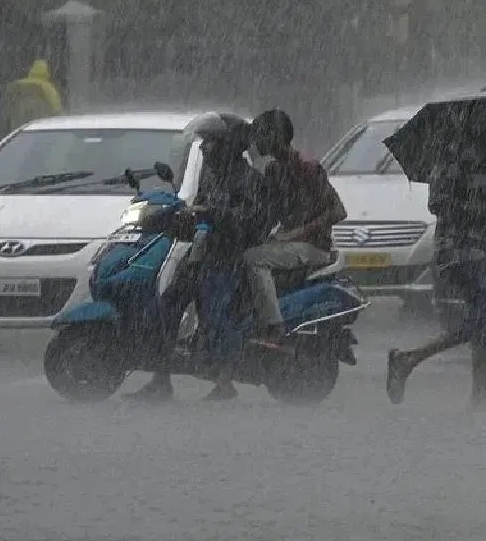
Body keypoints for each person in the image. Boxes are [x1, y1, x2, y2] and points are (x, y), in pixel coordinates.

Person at [125, 113, 271, 403]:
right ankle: (161, 379)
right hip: (203, 253)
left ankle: (225, 382)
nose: (204, 149)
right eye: (203, 143)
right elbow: (199, 209)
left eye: (211, 143)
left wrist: (212, 215)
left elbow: (252, 223)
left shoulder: (250, 179)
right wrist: (178, 219)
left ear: (228, 146)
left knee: (216, 316)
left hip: (232, 258)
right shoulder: (211, 175)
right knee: (167, 305)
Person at [385, 134, 486, 410]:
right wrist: (482, 208)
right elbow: (439, 203)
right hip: (459, 250)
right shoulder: (452, 157)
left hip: (482, 248)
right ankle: (409, 358)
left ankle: (480, 393)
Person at [244, 109, 348, 330]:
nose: (256, 141)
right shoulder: (273, 170)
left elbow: (338, 211)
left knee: (254, 259)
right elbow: (269, 212)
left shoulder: (308, 168)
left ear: (276, 136)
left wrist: (297, 232)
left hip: (313, 246)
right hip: (288, 245)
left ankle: (274, 326)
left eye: (260, 135)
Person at [7, 59, 64, 131]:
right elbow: (56, 106)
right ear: (47, 72)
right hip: (40, 122)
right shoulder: (47, 87)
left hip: (20, 121)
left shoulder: (18, 84)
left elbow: (10, 101)